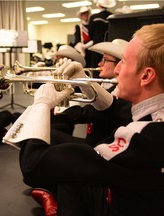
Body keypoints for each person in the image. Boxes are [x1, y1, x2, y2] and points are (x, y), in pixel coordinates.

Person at [3, 23, 164, 216]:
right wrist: (85, 82)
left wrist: (41, 105)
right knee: (71, 173)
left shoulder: (146, 137)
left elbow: (33, 165)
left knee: (68, 166)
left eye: (125, 61)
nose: (118, 70)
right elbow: (118, 110)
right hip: (134, 194)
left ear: (146, 75)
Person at [28, 39, 131, 216]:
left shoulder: (122, 91)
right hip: (95, 145)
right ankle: (52, 191)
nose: (99, 63)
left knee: (54, 150)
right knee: (50, 138)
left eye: (105, 59)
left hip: (102, 150)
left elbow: (95, 112)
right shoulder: (107, 85)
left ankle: (53, 193)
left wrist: (49, 106)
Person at [88, 0, 116, 75]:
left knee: (96, 67)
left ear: (98, 5)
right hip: (110, 46)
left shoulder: (94, 17)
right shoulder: (113, 16)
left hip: (97, 46)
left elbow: (90, 33)